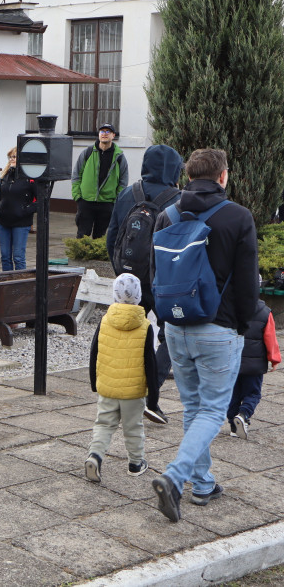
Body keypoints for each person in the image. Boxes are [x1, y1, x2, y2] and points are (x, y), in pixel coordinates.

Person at [151, 148, 258, 522]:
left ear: (188, 176)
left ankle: (203, 484)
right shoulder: (238, 217)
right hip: (218, 329)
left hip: (176, 327)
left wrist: (165, 320)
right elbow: (248, 284)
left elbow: (155, 274)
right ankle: (175, 476)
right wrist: (241, 325)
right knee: (212, 410)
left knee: (194, 409)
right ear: (223, 176)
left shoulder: (166, 215)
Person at [106, 144, 184, 426]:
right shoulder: (179, 200)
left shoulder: (128, 193)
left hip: (131, 276)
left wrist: (122, 272)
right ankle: (151, 395)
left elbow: (112, 235)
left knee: (130, 335)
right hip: (163, 280)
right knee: (172, 334)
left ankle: (121, 396)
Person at [84, 273, 157, 484]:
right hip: (133, 391)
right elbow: (150, 363)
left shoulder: (105, 321)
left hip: (107, 387)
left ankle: (95, 456)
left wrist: (94, 382)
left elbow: (94, 352)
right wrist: (153, 396)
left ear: (114, 294)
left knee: (103, 424)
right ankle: (136, 463)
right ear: (139, 296)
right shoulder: (145, 326)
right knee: (133, 428)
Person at [227, 298, 280, 438]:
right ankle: (244, 414)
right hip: (254, 365)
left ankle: (233, 426)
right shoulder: (265, 312)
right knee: (253, 393)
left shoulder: (229, 308)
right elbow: (270, 338)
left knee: (233, 394)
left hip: (232, 361)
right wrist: (274, 359)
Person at [71, 123, 128, 238]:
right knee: (82, 236)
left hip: (107, 203)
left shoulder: (119, 157)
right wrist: (77, 196)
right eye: (102, 131)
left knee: (100, 237)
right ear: (98, 134)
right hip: (86, 201)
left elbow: (123, 181)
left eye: (108, 132)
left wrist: (116, 200)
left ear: (113, 135)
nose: (104, 134)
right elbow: (76, 175)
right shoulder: (87, 153)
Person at [0, 147, 36, 271]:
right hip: (4, 221)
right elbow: (0, 195)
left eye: (15, 157)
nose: (11, 159)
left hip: (21, 223)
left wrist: (24, 211)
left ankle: (20, 281)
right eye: (10, 157)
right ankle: (7, 280)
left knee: (18, 257)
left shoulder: (30, 177)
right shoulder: (5, 175)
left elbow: (40, 200)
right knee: (5, 257)